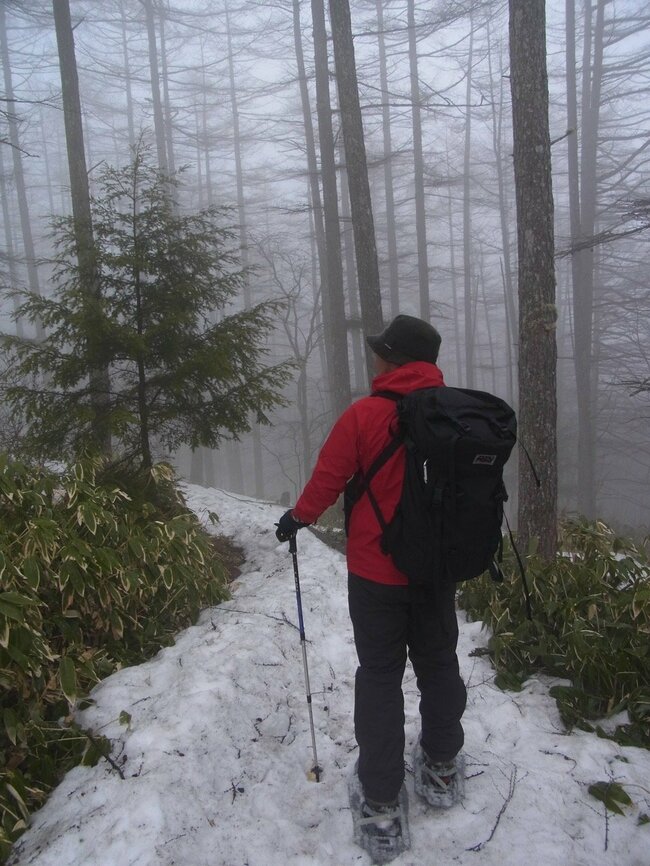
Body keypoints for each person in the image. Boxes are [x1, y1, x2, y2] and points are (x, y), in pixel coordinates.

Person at [275, 314, 467, 862]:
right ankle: (442, 765)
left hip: (376, 574)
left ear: (395, 361)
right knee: (438, 663)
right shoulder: (457, 415)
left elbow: (329, 480)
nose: (375, 358)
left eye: (382, 352)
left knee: (380, 676)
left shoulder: (364, 416)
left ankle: (381, 802)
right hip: (436, 574)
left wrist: (297, 519)